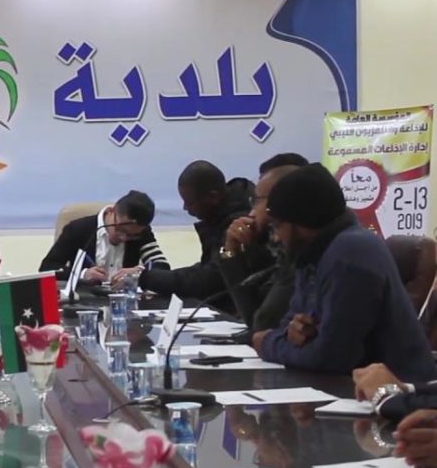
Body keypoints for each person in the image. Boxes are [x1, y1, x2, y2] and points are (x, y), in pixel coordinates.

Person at [253, 164, 436, 382]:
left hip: (397, 394)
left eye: (277, 226)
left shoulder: (350, 254)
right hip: (346, 386)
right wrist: (289, 335)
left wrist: (267, 343)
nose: (276, 237)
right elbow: (288, 325)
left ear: (301, 223)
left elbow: (331, 358)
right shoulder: (312, 253)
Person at [218, 153, 309, 336]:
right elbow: (255, 316)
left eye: (257, 201)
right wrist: (230, 251)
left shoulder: (306, 254)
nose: (251, 213)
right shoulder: (266, 242)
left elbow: (261, 323)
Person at [139, 161, 251, 305]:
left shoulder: (238, 224)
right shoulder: (219, 218)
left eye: (190, 202)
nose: (185, 208)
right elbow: (211, 266)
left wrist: (145, 277)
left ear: (213, 197)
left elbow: (211, 279)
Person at [38, 190, 169, 283]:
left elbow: (162, 266)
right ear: (112, 211)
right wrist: (83, 274)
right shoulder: (78, 229)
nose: (124, 238)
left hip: (125, 301)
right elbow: (47, 267)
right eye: (121, 230)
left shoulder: (142, 232)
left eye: (131, 236)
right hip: (86, 301)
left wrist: (139, 272)